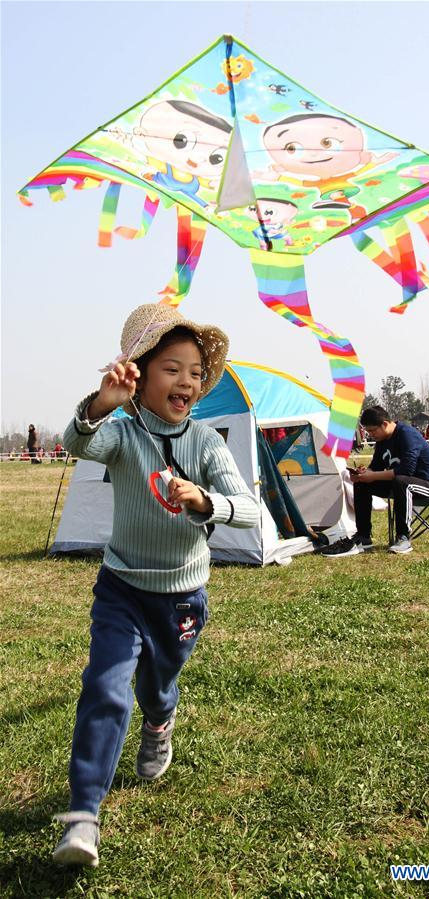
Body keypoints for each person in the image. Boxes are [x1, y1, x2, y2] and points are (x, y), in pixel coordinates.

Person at [52, 303, 260, 868]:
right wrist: (102, 405)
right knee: (105, 686)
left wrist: (205, 500)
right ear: (140, 377)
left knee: (156, 685)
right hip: (121, 589)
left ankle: (159, 722)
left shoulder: (207, 443)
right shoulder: (121, 434)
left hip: (182, 597)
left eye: (195, 372)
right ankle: (83, 814)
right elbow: (78, 443)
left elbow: (248, 510)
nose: (187, 381)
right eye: (172, 369)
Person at [320, 405, 429, 557]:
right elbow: (376, 467)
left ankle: (403, 537)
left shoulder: (407, 435)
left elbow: (406, 471)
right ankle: (363, 536)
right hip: (400, 485)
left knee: (401, 481)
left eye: (373, 431)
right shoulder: (382, 440)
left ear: (384, 424)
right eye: (368, 432)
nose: (371, 435)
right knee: (362, 483)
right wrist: (363, 474)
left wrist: (372, 476)